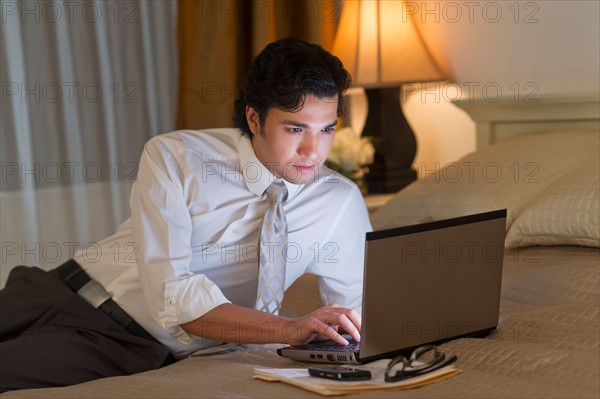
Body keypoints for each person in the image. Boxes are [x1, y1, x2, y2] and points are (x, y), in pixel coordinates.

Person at [0, 38, 372, 392]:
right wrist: (288, 328)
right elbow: (174, 294)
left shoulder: (340, 201)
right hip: (53, 288)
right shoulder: (176, 157)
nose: (313, 150)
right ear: (254, 119)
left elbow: (360, 317)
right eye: (296, 128)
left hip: (118, 338)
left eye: (327, 130)